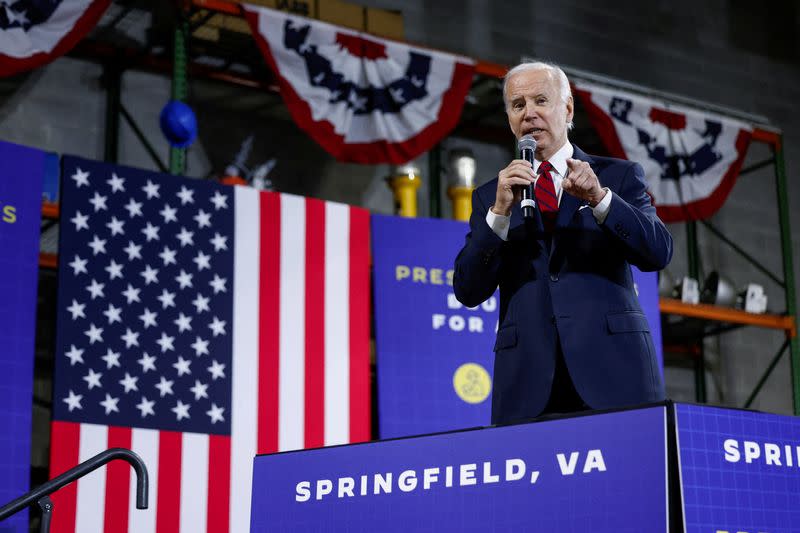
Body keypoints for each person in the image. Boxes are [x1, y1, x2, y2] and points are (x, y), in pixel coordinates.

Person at [453, 61, 673, 425]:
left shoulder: (616, 176)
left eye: (541, 100)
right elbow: (467, 288)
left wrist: (601, 199)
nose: (529, 114)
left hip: (614, 374)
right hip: (528, 386)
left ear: (567, 109)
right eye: (518, 104)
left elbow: (657, 251)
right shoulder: (491, 196)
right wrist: (500, 214)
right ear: (509, 115)